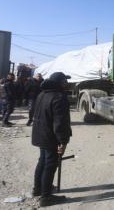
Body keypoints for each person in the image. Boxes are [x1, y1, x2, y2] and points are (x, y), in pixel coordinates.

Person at [32, 72, 72, 207]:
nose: (66, 84)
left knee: (42, 161)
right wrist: (63, 141)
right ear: (59, 83)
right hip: (50, 137)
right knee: (50, 164)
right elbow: (60, 123)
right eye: (64, 81)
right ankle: (46, 197)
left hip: (40, 134)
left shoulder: (42, 94)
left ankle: (38, 189)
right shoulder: (59, 97)